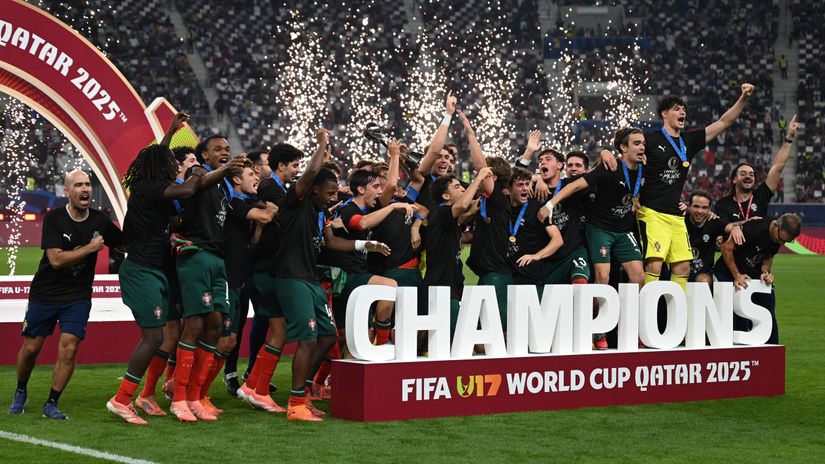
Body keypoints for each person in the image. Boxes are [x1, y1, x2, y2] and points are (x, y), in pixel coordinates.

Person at [271, 128, 389, 422]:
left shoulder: (319, 212)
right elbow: (310, 173)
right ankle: (295, 404)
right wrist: (322, 145)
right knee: (309, 340)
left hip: (311, 279)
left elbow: (332, 242)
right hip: (292, 278)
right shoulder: (295, 202)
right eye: (330, 192)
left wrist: (366, 244)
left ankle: (305, 391)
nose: (334, 197)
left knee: (326, 339)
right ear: (313, 189)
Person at [599, 84, 755, 293]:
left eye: (684, 109)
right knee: (654, 265)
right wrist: (605, 152)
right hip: (652, 213)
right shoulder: (650, 139)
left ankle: (675, 318)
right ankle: (647, 317)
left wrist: (743, 97)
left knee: (683, 267)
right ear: (664, 114)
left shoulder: (688, 141)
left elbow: (724, 122)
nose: (682, 111)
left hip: (675, 216)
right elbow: (626, 146)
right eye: (676, 108)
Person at [8, 170, 123, 419]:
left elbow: (124, 244)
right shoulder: (55, 219)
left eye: (88, 184)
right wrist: (91, 248)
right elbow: (57, 260)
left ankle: (51, 402)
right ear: (67, 192)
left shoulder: (100, 220)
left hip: (78, 295)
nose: (85, 189)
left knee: (69, 347)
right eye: (78, 185)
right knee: (31, 348)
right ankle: (20, 390)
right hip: (45, 293)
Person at [106, 144, 207, 425]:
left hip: (154, 270)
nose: (175, 167)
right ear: (159, 166)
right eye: (170, 163)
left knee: (160, 338)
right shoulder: (149, 187)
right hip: (141, 271)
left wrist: (171, 240)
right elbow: (187, 190)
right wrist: (198, 171)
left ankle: (137, 397)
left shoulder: (149, 189)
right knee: (153, 338)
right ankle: (121, 399)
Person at [169, 135, 246, 422]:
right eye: (218, 149)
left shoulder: (225, 186)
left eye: (227, 149)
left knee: (215, 324)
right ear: (204, 155)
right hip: (196, 254)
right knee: (194, 324)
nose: (224, 152)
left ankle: (196, 395)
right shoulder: (198, 172)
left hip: (217, 259)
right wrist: (225, 170)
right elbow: (200, 183)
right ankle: (179, 398)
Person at [236, 143, 300, 407]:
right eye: (295, 165)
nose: (297, 171)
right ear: (281, 165)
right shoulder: (270, 188)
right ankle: (258, 389)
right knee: (279, 330)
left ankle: (252, 385)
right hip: (268, 269)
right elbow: (290, 218)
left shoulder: (275, 189)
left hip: (268, 269)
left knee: (278, 329)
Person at [543, 127, 646, 291]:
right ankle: (594, 315)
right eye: (637, 143)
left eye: (643, 143)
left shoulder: (646, 167)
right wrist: (550, 204)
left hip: (624, 230)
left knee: (639, 277)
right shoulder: (609, 168)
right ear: (623, 148)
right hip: (601, 229)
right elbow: (575, 185)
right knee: (602, 278)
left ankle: (629, 315)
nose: (642, 147)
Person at [458, 110, 515, 328]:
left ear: (492, 178)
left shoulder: (499, 200)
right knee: (483, 330)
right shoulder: (487, 202)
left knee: (496, 331)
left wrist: (470, 133)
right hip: (488, 274)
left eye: (482, 176)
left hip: (497, 276)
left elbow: (481, 167)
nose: (477, 178)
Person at [424, 168, 492, 337]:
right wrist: (479, 177)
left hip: (450, 286)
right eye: (456, 187)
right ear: (446, 196)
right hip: (440, 288)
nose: (462, 189)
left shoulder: (448, 218)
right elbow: (462, 205)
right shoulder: (440, 212)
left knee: (448, 340)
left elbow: (465, 212)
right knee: (464, 338)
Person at [714, 214, 802, 344]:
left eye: (786, 242)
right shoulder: (754, 229)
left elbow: (768, 257)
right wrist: (736, 275)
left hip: (751, 275)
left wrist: (765, 272)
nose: (781, 243)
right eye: (781, 239)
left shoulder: (776, 237)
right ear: (775, 225)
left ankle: (771, 350)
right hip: (727, 272)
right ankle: (735, 348)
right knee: (734, 314)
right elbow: (726, 248)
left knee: (768, 303)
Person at [714, 115, 799, 228]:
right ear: (734, 179)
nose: (748, 176)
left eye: (751, 174)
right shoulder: (723, 204)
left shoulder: (761, 196)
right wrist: (746, 223)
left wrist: (789, 137)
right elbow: (721, 229)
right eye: (743, 174)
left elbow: (778, 167)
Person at [507, 167, 563, 285]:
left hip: (533, 276)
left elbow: (558, 240)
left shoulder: (537, 208)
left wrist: (537, 256)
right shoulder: (503, 206)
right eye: (520, 185)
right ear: (509, 188)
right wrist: (538, 178)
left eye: (527, 184)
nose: (525, 188)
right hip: (510, 274)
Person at [684, 191, 727, 284]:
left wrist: (740, 226)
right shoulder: (680, 221)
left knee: (703, 280)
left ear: (709, 210)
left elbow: (730, 227)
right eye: (696, 206)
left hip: (703, 271)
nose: (700, 211)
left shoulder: (713, 222)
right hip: (680, 271)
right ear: (689, 206)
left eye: (704, 208)